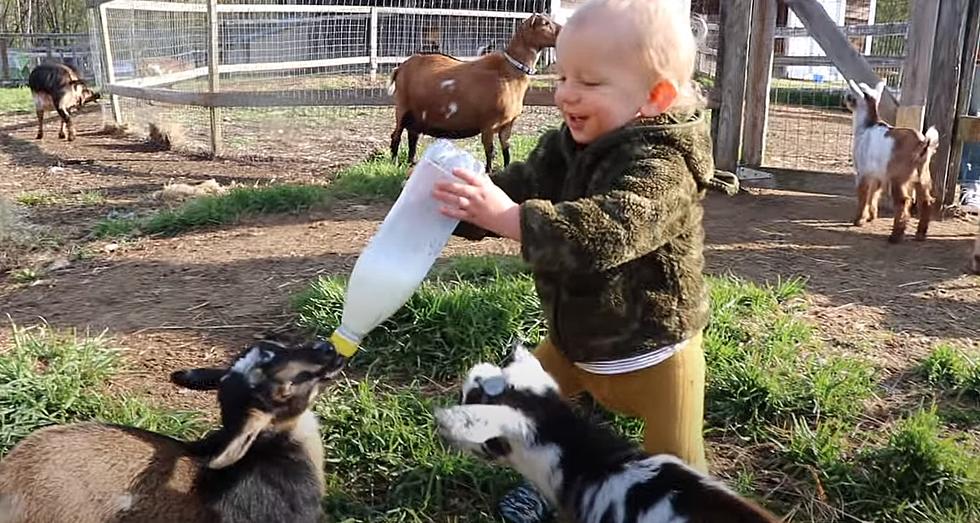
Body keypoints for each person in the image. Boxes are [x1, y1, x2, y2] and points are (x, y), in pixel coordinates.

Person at [430, 0, 734, 520]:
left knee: (679, 478)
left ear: (655, 96)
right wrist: (462, 208)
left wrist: (510, 219)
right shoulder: (570, 143)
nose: (565, 92)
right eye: (564, 74)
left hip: (654, 352)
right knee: (522, 409)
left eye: (589, 82)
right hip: (576, 340)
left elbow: (608, 231)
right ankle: (551, 483)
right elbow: (523, 183)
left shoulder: (665, 163)